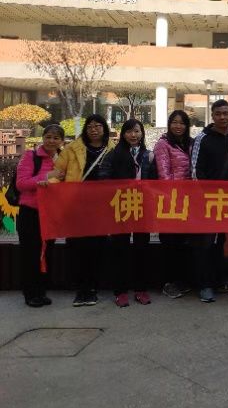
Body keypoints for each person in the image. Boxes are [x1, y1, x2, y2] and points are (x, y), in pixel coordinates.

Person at [49, 114, 114, 307]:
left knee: (97, 248)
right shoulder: (72, 149)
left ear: (104, 128)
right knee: (76, 247)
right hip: (75, 206)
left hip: (101, 207)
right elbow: (57, 173)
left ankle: (92, 288)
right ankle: (80, 289)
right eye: (90, 126)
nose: (94, 130)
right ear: (86, 129)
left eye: (98, 126)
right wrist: (51, 185)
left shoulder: (113, 149)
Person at [190, 99, 228, 302]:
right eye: (218, 114)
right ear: (212, 116)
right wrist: (207, 197)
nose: (222, 117)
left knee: (224, 242)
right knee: (204, 244)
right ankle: (205, 285)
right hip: (207, 202)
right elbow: (195, 171)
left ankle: (222, 280)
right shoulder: (202, 138)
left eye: (225, 113)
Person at [15, 124, 64, 307]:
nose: (51, 141)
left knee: (47, 252)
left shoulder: (62, 159)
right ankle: (30, 294)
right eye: (48, 137)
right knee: (30, 254)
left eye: (56, 138)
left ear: (61, 141)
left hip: (50, 213)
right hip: (30, 213)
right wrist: (46, 177)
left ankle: (41, 291)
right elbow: (21, 183)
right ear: (43, 138)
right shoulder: (31, 156)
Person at [108, 118, 154, 307]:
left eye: (136, 131)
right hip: (121, 206)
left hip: (143, 207)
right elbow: (104, 178)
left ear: (142, 133)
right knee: (120, 249)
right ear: (123, 134)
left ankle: (141, 289)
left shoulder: (149, 155)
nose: (133, 135)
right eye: (129, 131)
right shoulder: (114, 154)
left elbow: (156, 180)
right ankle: (120, 291)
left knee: (142, 248)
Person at [153, 109, 194, 299]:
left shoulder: (190, 144)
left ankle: (180, 280)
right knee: (169, 243)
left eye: (182, 123)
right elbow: (164, 174)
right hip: (170, 202)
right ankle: (168, 282)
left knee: (182, 243)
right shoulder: (163, 144)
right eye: (175, 122)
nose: (178, 126)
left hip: (188, 201)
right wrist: (173, 197)